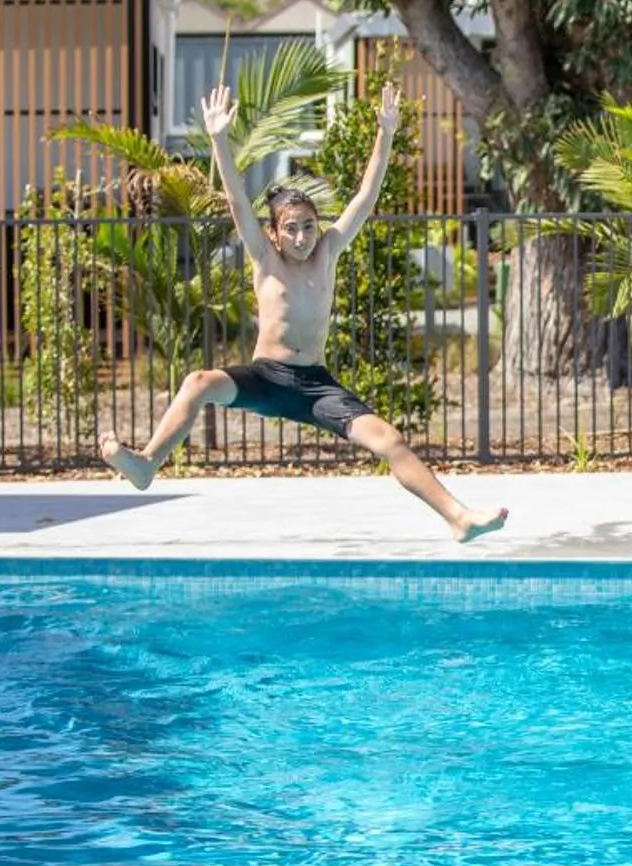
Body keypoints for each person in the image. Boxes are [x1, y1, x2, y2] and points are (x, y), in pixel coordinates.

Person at [100, 83, 507, 543]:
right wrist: (218, 140)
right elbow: (236, 201)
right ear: (273, 234)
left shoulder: (329, 251)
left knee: (389, 440)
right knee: (197, 382)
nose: (301, 236)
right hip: (266, 377)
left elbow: (366, 197)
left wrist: (387, 133)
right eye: (290, 229)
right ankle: (148, 463)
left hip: (316, 385)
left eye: (308, 226)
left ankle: (458, 517)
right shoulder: (264, 258)